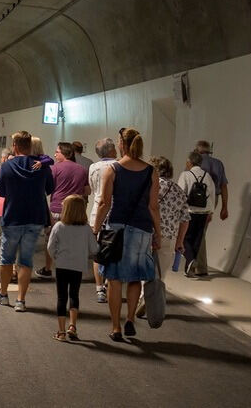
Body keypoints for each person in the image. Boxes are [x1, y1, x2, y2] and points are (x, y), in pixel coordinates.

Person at [93, 128, 161, 341]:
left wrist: (95, 229)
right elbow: (153, 206)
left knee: (114, 279)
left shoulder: (112, 169)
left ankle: (116, 327)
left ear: (121, 144)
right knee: (134, 278)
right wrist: (157, 232)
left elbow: (104, 203)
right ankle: (130, 318)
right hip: (142, 229)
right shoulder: (152, 171)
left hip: (117, 228)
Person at [0, 131, 55, 313]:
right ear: (30, 145)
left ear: (15, 146)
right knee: (26, 260)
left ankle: (3, 294)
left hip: (12, 217)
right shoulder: (42, 166)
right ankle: (21, 300)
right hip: (35, 217)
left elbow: (2, 192)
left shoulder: (7, 166)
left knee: (6, 258)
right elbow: (50, 188)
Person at [137, 156, 190, 318]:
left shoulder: (148, 186)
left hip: (145, 233)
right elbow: (185, 219)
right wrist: (180, 241)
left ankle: (143, 296)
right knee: (160, 273)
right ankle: (152, 299)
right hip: (167, 237)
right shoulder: (178, 191)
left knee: (143, 269)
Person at [47, 195, 97, 342]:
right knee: (74, 295)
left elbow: (50, 247)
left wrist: (56, 258)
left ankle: (61, 332)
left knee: (62, 297)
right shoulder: (86, 228)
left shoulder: (59, 226)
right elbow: (94, 248)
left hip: (62, 265)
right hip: (78, 266)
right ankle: (73, 326)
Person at [37, 142, 90, 279]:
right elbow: (87, 190)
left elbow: (47, 188)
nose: (55, 154)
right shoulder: (82, 170)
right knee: (73, 241)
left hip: (57, 209)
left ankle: (48, 268)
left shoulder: (54, 169)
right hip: (76, 211)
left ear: (65, 153)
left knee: (52, 240)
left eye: (57, 152)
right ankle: (72, 269)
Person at [192, 140, 229, 276]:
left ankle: (198, 266)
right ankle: (196, 264)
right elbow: (224, 186)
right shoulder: (219, 164)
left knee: (196, 232)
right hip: (214, 199)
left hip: (197, 199)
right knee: (201, 231)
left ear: (197, 150)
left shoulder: (195, 162)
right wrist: (224, 207)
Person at [178, 151, 216, 278]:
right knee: (197, 240)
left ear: (190, 162)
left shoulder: (186, 175)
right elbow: (212, 194)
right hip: (203, 212)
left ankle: (190, 260)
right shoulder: (208, 176)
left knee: (185, 238)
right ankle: (189, 268)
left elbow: (180, 193)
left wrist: (178, 210)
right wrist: (210, 211)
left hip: (189, 211)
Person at [88, 138, 118, 302]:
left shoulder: (93, 167)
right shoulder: (118, 166)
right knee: (114, 251)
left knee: (98, 252)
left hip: (96, 212)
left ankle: (99, 288)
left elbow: (93, 189)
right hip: (115, 212)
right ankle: (108, 282)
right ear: (112, 150)